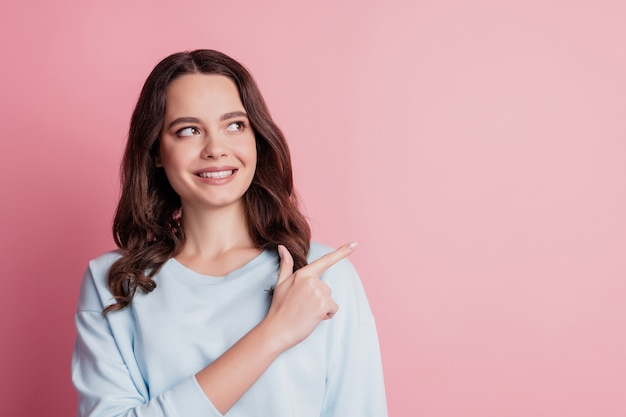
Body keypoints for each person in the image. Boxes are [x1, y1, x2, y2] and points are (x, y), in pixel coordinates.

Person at [71, 49, 387, 417]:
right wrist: (274, 333)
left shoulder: (320, 275)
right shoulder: (114, 283)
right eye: (188, 130)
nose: (216, 149)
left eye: (235, 125)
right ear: (156, 149)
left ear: (257, 137)